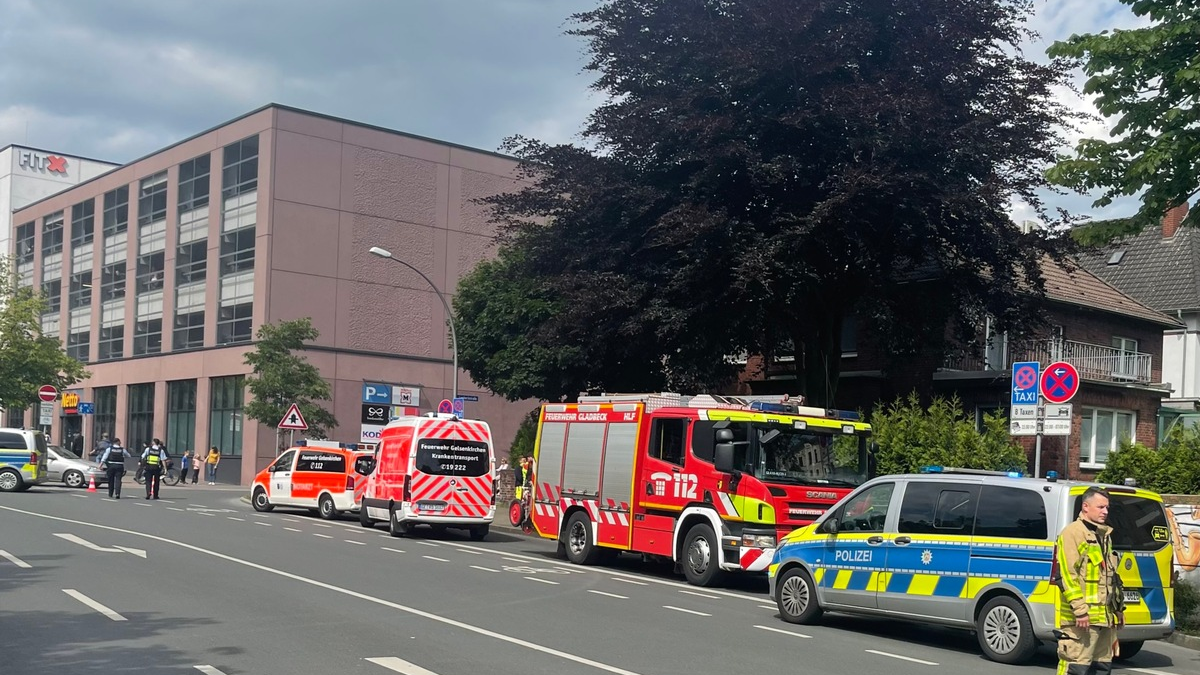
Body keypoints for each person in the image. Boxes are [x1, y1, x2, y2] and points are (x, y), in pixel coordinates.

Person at [1056, 486, 1125, 675]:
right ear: (1086, 507)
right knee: (1076, 667)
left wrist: (1117, 609)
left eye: (1107, 508)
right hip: (1082, 621)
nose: (1105, 512)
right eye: (1101, 507)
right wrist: (1080, 611)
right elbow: (1067, 576)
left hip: (1104, 619)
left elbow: (1111, 577)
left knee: (1101, 668)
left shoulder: (1103, 535)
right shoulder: (1072, 533)